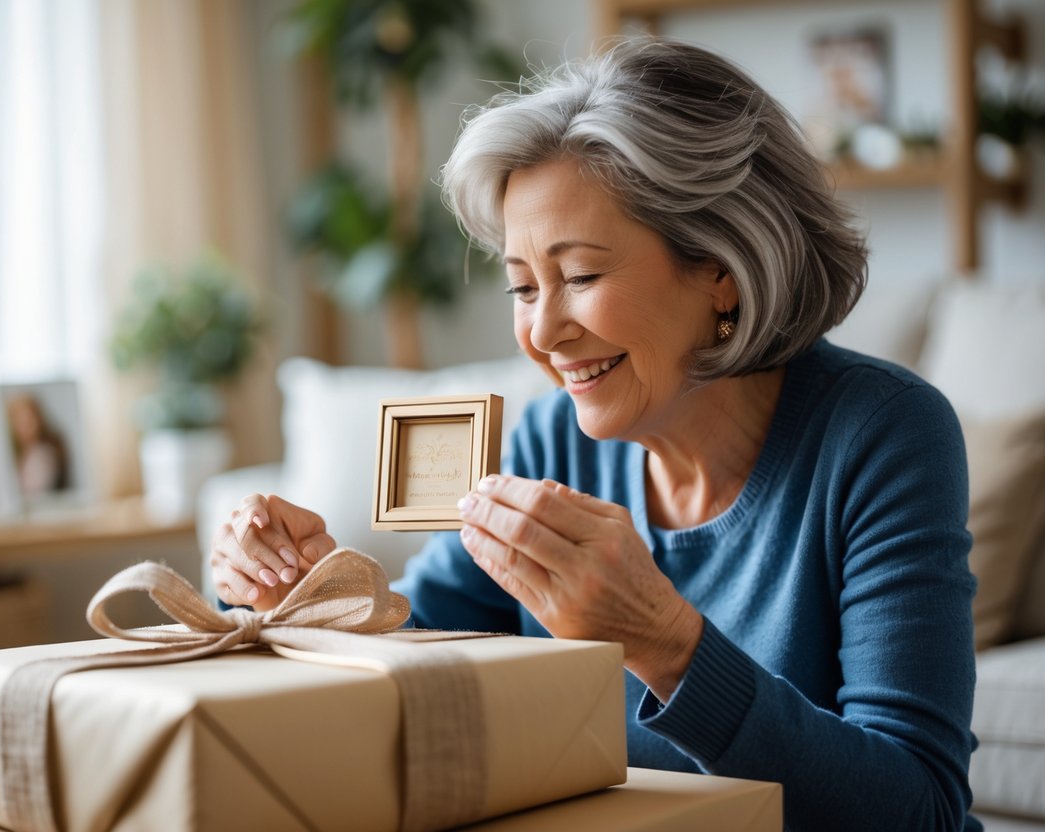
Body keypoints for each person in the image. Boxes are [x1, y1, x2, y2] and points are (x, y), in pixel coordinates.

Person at [209, 38, 979, 831]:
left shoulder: (881, 433)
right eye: (520, 285)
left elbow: (916, 806)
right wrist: (298, 590)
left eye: (579, 276)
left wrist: (666, 642)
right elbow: (419, 641)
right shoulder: (551, 442)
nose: (542, 331)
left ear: (720, 266)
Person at [6, 393, 70, 496]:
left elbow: (33, 492)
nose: (24, 427)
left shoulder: (44, 454)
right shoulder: (16, 454)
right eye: (19, 421)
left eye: (29, 420)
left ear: (39, 420)